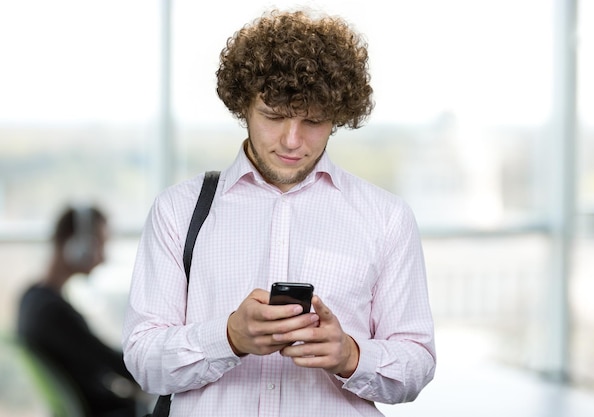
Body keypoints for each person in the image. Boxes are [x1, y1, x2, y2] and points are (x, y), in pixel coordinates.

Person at [122, 9, 436, 417]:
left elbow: (417, 362)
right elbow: (143, 362)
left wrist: (351, 356)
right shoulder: (178, 211)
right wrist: (229, 337)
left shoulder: (386, 218)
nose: (292, 141)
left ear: (338, 116)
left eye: (314, 121)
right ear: (243, 107)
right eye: (273, 117)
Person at [17, 205, 140, 417]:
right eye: (99, 244)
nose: (103, 257)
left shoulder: (31, 298)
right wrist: (157, 367)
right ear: (75, 245)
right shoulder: (52, 312)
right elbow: (107, 359)